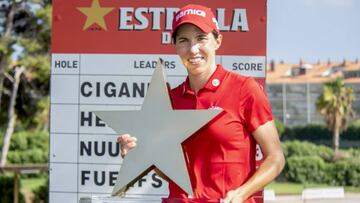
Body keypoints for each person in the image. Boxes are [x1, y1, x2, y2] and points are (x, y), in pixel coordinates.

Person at [118, 4, 285, 203]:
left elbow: (276, 158)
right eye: (184, 41)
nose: (193, 49)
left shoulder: (244, 89)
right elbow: (172, 173)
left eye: (201, 38)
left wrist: (241, 193)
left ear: (217, 41)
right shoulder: (169, 100)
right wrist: (140, 156)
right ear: (176, 47)